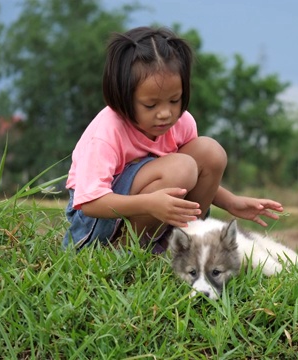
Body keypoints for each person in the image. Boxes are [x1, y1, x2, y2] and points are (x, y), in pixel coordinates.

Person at [63, 26, 283, 253]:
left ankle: (176, 246)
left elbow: (194, 177)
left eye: (174, 100)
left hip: (154, 207)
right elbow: (90, 203)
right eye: (150, 105)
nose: (165, 113)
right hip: (98, 226)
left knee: (210, 152)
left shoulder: (182, 123)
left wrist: (230, 201)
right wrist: (149, 204)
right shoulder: (107, 131)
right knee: (182, 166)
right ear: (122, 97)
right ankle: (125, 253)